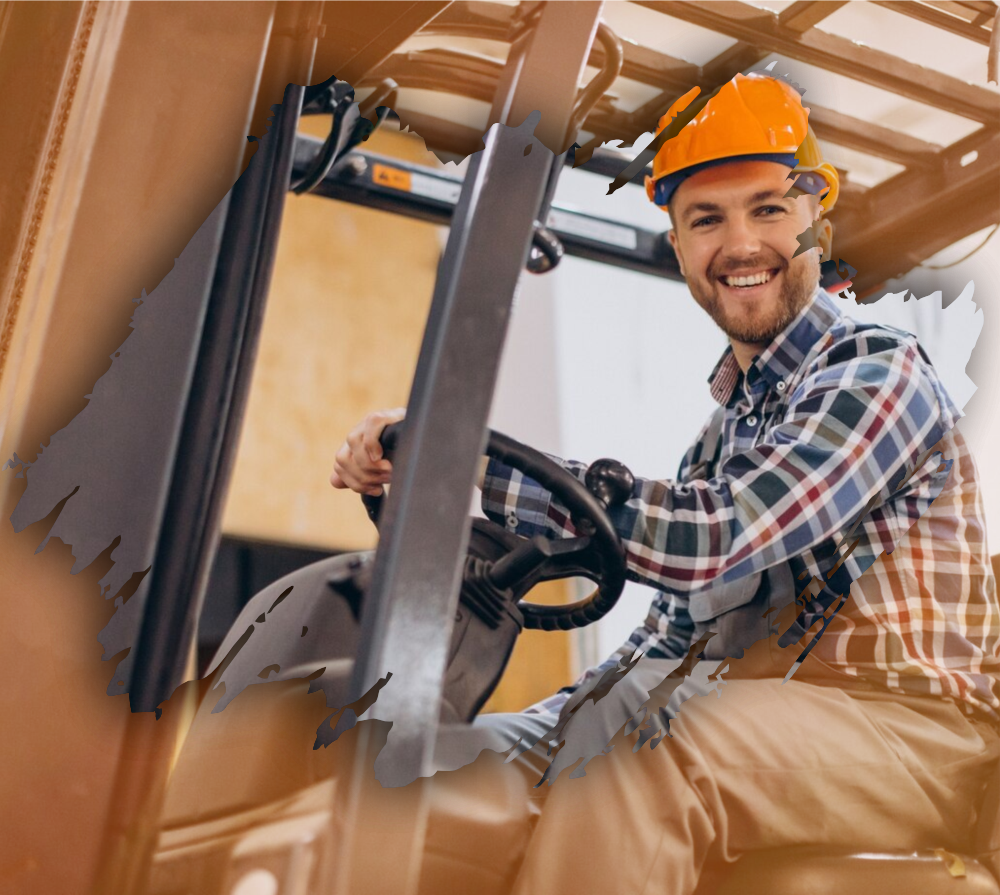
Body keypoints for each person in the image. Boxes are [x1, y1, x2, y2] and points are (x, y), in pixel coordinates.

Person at [330, 73, 1000, 894]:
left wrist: (467, 460)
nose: (741, 243)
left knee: (644, 741)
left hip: (907, 735)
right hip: (738, 721)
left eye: (767, 208)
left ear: (815, 213)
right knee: (421, 774)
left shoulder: (876, 370)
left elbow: (717, 536)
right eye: (706, 219)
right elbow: (663, 652)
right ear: (679, 244)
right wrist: (495, 743)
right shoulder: (715, 445)